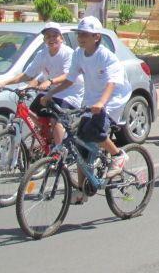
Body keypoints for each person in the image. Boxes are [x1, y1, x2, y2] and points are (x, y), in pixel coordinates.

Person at [42, 16, 132, 204]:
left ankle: (118, 155)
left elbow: (112, 83)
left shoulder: (105, 56)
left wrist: (101, 104)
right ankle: (83, 190)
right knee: (80, 144)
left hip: (113, 97)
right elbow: (70, 79)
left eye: (85, 35)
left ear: (97, 37)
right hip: (92, 98)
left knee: (94, 131)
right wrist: (51, 94)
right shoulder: (78, 53)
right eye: (79, 34)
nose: (81, 38)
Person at [0, 22, 81, 146]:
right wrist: (5, 83)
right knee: (32, 111)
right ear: (44, 39)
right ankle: (49, 135)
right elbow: (27, 74)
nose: (51, 39)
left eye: (54, 35)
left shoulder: (67, 53)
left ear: (61, 38)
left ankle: (59, 152)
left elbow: (68, 75)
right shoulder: (42, 54)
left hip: (69, 92)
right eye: (48, 36)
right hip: (51, 92)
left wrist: (49, 81)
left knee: (55, 118)